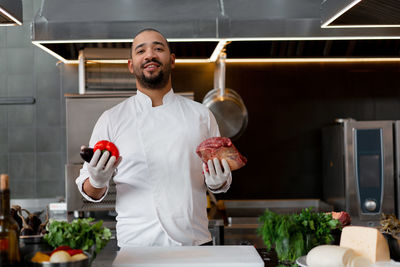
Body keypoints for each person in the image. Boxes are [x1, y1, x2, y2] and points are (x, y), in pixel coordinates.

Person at [75, 28, 233, 247]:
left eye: (158, 48)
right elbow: (89, 191)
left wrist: (218, 182)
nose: (150, 55)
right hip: (137, 248)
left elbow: (219, 176)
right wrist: (97, 180)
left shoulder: (202, 115)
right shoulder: (111, 119)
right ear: (131, 65)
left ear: (172, 60)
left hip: (193, 245)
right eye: (141, 51)